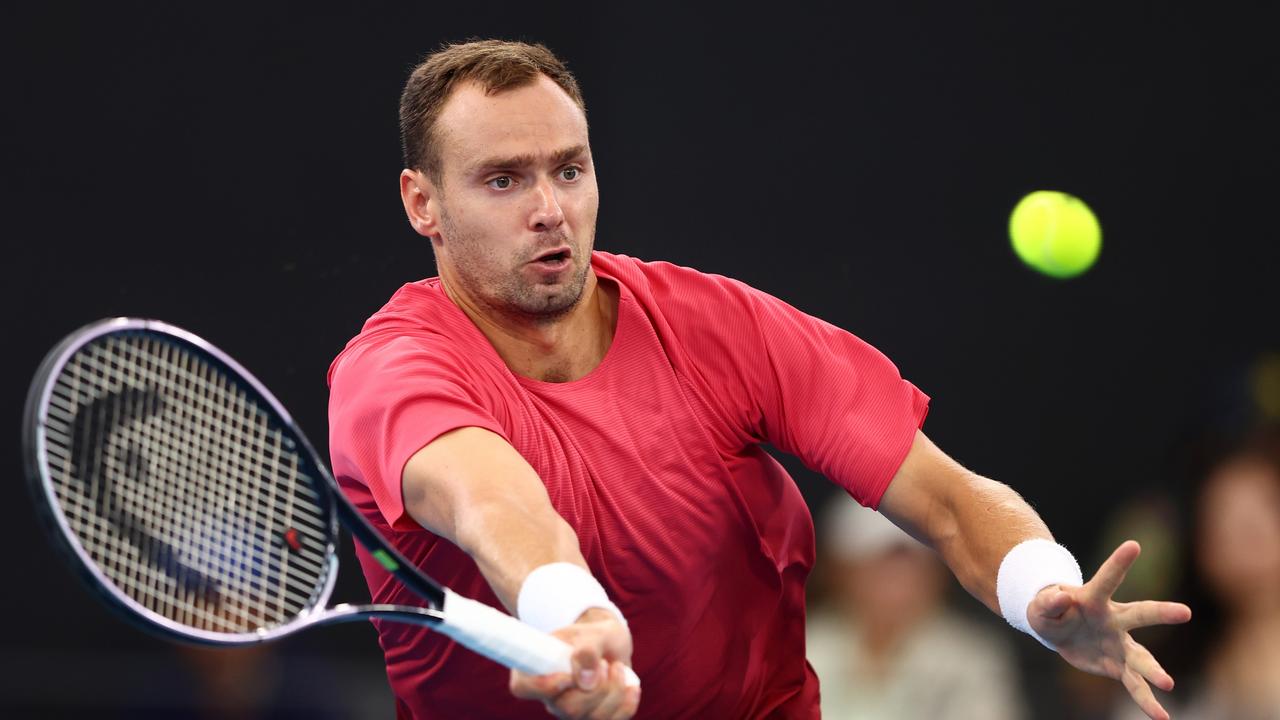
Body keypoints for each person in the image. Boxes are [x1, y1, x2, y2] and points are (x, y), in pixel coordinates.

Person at [326, 39, 1191, 720]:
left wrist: (1038, 585)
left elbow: (946, 498)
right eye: (503, 180)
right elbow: (496, 504)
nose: (550, 207)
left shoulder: (716, 325)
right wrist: (571, 614)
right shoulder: (394, 370)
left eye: (570, 168)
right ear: (422, 204)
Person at [806, 493, 1026, 720]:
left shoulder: (972, 658)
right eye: (879, 567)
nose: (897, 582)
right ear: (840, 572)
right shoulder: (803, 647)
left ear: (937, 575)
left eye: (911, 567)